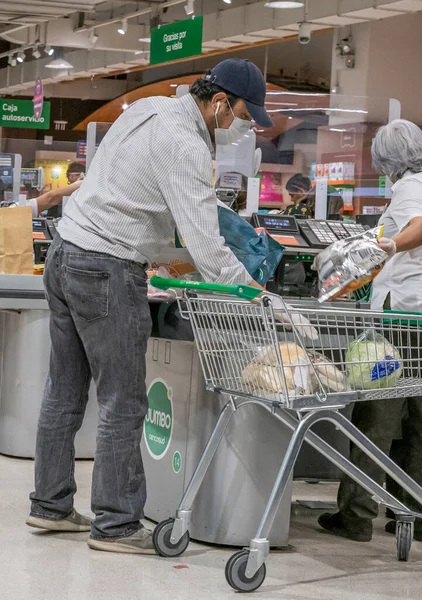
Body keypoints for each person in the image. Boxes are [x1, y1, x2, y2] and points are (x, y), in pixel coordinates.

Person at [27, 58, 272, 555]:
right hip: (107, 267)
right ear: (220, 102)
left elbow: (131, 191)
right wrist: (256, 294)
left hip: (65, 252)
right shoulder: (184, 145)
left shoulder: (148, 107)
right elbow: (206, 247)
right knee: (124, 399)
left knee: (65, 391)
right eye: (245, 116)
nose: (244, 126)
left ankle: (49, 505)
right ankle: (116, 525)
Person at [319, 119, 422, 544]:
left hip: (404, 312)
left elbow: (421, 228)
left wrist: (388, 246)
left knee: (378, 412)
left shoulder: (410, 187)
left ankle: (355, 514)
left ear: (388, 160)